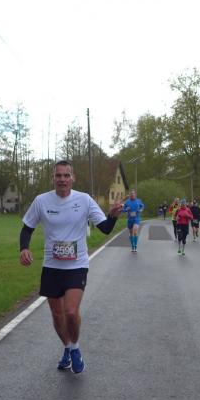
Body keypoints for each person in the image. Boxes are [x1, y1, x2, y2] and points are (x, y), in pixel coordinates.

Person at [19, 160, 122, 374]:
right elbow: (27, 228)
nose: (62, 179)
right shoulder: (41, 201)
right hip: (51, 266)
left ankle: (75, 348)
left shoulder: (84, 200)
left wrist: (112, 216)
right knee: (58, 316)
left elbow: (104, 229)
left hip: (77, 265)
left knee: (71, 312)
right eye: (58, 176)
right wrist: (24, 248)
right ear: (53, 178)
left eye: (66, 175)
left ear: (72, 178)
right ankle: (67, 347)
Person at [122, 189, 145, 253]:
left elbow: (142, 206)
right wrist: (126, 209)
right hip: (130, 219)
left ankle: (135, 245)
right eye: (131, 193)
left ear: (135, 194)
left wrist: (141, 210)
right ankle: (132, 246)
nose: (132, 194)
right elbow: (123, 210)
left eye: (133, 193)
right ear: (130, 195)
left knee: (135, 231)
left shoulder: (138, 201)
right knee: (131, 233)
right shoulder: (127, 202)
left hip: (136, 218)